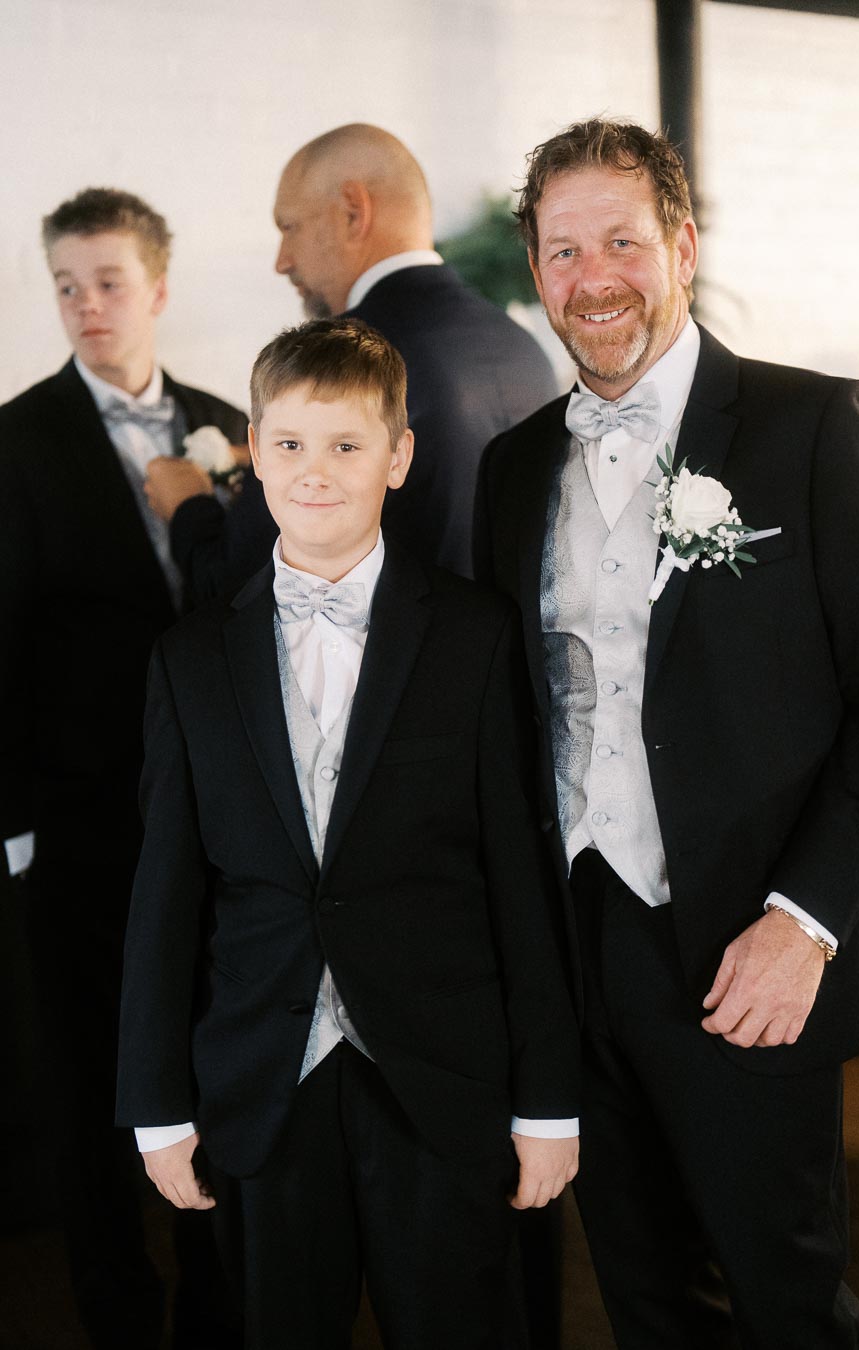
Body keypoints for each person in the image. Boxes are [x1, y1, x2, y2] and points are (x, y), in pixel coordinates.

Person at [475, 118, 859, 1349]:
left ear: (682, 248)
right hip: (575, 954)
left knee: (788, 1304)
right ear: (536, 271)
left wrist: (805, 920)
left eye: (622, 241)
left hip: (747, 948)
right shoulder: (512, 469)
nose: (593, 278)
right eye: (563, 251)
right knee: (647, 1304)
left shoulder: (810, 424)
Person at [116, 317, 581, 1350]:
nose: (314, 471)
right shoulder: (190, 659)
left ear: (398, 457)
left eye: (346, 445)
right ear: (252, 451)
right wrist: (156, 1103)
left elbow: (520, 877)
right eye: (289, 443)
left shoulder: (474, 635)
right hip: (262, 1082)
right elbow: (166, 895)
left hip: (440, 1079)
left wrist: (548, 1100)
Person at [0, 187, 247, 1350]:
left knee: (209, 1064)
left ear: (157, 288)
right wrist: (16, 826)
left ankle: (216, 1312)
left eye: (107, 282)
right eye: (66, 286)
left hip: (219, 819)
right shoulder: (14, 441)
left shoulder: (228, 424)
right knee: (90, 1086)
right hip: (79, 822)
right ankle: (115, 1316)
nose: (86, 306)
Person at [145, 122, 558, 592]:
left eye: (289, 228)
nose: (282, 261)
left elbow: (239, 578)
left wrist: (187, 507)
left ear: (352, 212)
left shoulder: (342, 363)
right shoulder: (524, 349)